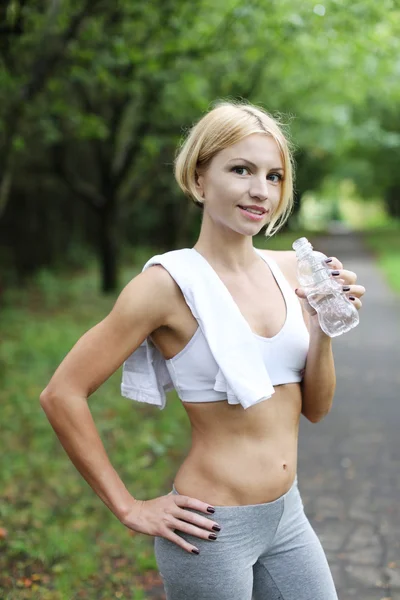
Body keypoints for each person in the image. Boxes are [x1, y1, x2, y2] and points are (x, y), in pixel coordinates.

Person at [40, 100, 365, 600]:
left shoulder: (296, 271)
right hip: (211, 532)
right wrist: (129, 506)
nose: (261, 190)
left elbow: (316, 410)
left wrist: (324, 327)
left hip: (287, 518)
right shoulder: (166, 285)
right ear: (198, 179)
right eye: (241, 170)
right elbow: (62, 393)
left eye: (274, 176)